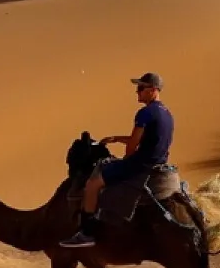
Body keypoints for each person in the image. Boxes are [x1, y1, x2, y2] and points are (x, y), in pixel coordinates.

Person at [60, 72, 174, 248]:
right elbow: (146, 139)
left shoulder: (145, 113)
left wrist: (126, 161)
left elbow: (133, 145)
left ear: (153, 90)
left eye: (141, 88)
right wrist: (116, 138)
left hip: (141, 165)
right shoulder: (166, 113)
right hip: (158, 163)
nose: (137, 92)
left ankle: (87, 233)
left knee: (93, 184)